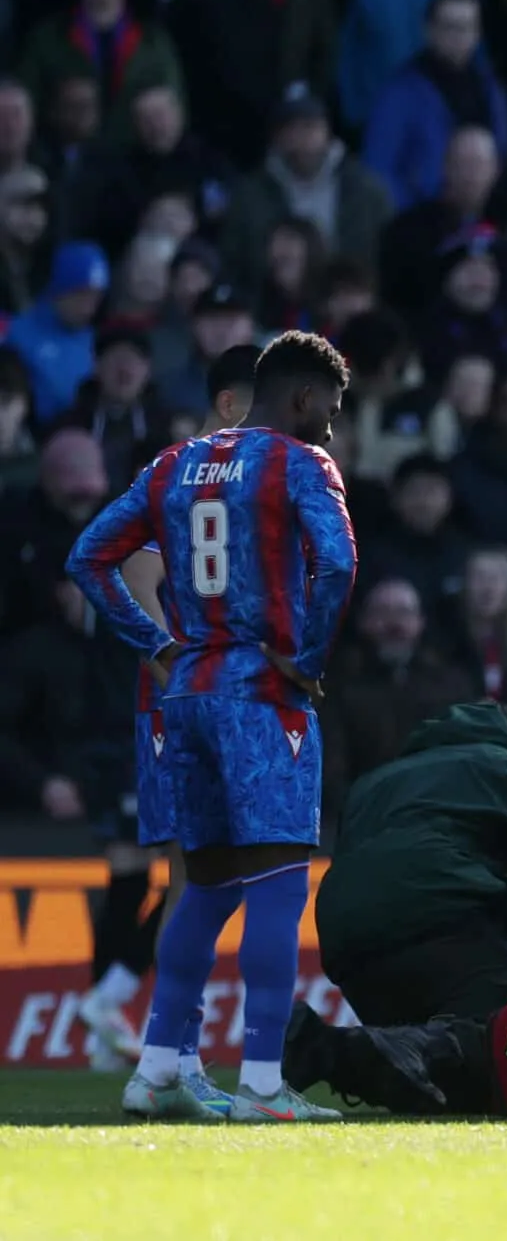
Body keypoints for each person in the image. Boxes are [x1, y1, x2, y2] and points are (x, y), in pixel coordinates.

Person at [66, 331, 357, 1123]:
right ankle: (263, 1082)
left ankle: (158, 1066)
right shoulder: (301, 464)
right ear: (300, 397)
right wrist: (306, 657)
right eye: (328, 411)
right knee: (275, 884)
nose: (331, 429)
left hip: (183, 694)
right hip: (263, 692)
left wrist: (156, 644)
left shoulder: (172, 465)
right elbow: (336, 562)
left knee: (204, 884)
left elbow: (88, 558)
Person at [75, 343, 259, 1098]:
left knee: (204, 877)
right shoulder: (185, 475)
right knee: (199, 875)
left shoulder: (247, 483)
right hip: (183, 706)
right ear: (227, 404)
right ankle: (174, 1057)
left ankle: (173, 1058)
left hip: (212, 698)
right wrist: (174, 666)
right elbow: (134, 574)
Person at [315, 701, 507, 1025]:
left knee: (407, 1056)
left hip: (344, 936)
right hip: (433, 911)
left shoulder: (372, 783)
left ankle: (335, 1051)